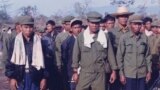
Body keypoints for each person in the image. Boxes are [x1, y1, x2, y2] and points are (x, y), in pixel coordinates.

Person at [72, 11, 117, 90]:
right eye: (92, 23)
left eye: (97, 23)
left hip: (100, 73)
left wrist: (114, 71)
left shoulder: (104, 36)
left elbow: (110, 54)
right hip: (85, 72)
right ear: (88, 22)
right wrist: (75, 72)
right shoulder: (81, 37)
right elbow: (76, 55)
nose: (94, 25)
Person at [5, 16, 48, 90]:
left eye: (30, 27)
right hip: (20, 77)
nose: (28, 29)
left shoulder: (39, 41)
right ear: (21, 27)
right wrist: (12, 77)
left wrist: (44, 78)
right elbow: (9, 61)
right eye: (26, 27)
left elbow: (46, 61)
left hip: (36, 77)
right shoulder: (15, 42)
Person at [116, 15, 152, 90]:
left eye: (139, 24)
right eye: (135, 24)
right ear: (130, 24)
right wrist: (121, 74)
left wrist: (149, 71)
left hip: (142, 74)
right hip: (129, 74)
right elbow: (119, 57)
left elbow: (148, 56)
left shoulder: (144, 38)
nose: (137, 26)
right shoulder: (124, 38)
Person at [108, 6, 134, 90]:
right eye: (121, 16)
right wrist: (113, 69)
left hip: (130, 68)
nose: (124, 18)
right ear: (117, 18)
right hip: (116, 67)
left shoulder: (132, 32)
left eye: (126, 16)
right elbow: (109, 52)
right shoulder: (111, 32)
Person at [61, 18, 82, 90]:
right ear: (71, 29)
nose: (77, 29)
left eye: (79, 27)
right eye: (75, 28)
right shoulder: (67, 42)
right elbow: (65, 59)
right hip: (72, 72)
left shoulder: (86, 40)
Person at [55, 15, 75, 90]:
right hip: (65, 64)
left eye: (72, 23)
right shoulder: (60, 36)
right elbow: (58, 52)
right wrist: (59, 64)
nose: (70, 25)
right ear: (64, 25)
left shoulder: (78, 34)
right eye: (68, 24)